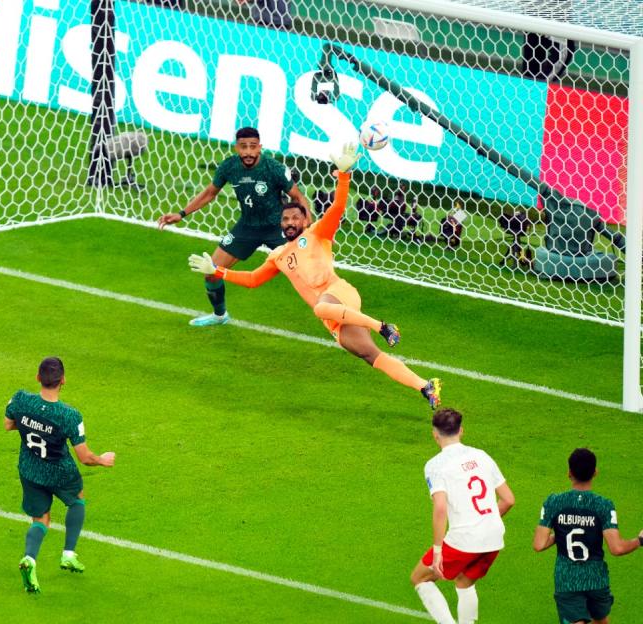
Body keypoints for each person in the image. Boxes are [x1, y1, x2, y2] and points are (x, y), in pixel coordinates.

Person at [187, 143, 442, 408]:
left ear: (304, 220)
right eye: (285, 220)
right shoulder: (277, 256)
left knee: (320, 308)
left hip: (340, 295)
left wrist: (344, 176)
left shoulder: (318, 233)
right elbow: (253, 280)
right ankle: (425, 385)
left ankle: (383, 326)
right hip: (332, 317)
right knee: (369, 355)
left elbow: (338, 207)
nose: (289, 223)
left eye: (294, 219)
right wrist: (217, 271)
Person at [158, 126, 311, 327]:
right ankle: (220, 315)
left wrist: (309, 227)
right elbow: (209, 193)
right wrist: (181, 213)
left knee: (310, 272)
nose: (248, 152)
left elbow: (298, 197)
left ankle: (338, 313)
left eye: (252, 147)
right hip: (246, 227)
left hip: (277, 228)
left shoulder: (273, 168)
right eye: (243, 147)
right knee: (211, 273)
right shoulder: (229, 167)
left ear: (260, 147)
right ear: (236, 148)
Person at [4, 357, 116, 594]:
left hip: (30, 469)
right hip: (60, 472)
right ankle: (68, 554)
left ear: (38, 378)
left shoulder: (21, 399)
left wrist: (30, 425)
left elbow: (8, 424)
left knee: (40, 520)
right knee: (77, 499)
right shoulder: (69, 415)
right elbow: (84, 457)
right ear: (62, 380)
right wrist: (103, 460)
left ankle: (30, 559)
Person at [410, 408, 515, 624]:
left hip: (464, 540)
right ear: (462, 431)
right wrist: (487, 521)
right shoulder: (482, 456)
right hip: (494, 537)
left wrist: (438, 551)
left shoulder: (435, 465)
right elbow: (508, 500)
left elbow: (440, 508)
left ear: (434, 434)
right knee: (464, 581)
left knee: (420, 578)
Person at [533, 448, 643, 624]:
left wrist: (562, 531)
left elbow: (539, 544)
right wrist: (639, 540)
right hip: (596, 580)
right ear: (595, 472)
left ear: (569, 473)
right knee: (601, 619)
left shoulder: (554, 502)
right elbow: (617, 548)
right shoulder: (603, 505)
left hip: (567, 580)